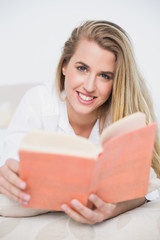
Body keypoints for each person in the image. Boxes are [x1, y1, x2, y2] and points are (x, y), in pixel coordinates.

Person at [0, 20, 160, 225]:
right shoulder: (37, 101)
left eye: (104, 75)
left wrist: (113, 209)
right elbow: (10, 174)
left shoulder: (122, 116)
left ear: (116, 81)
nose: (90, 86)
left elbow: (149, 186)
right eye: (82, 68)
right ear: (65, 65)